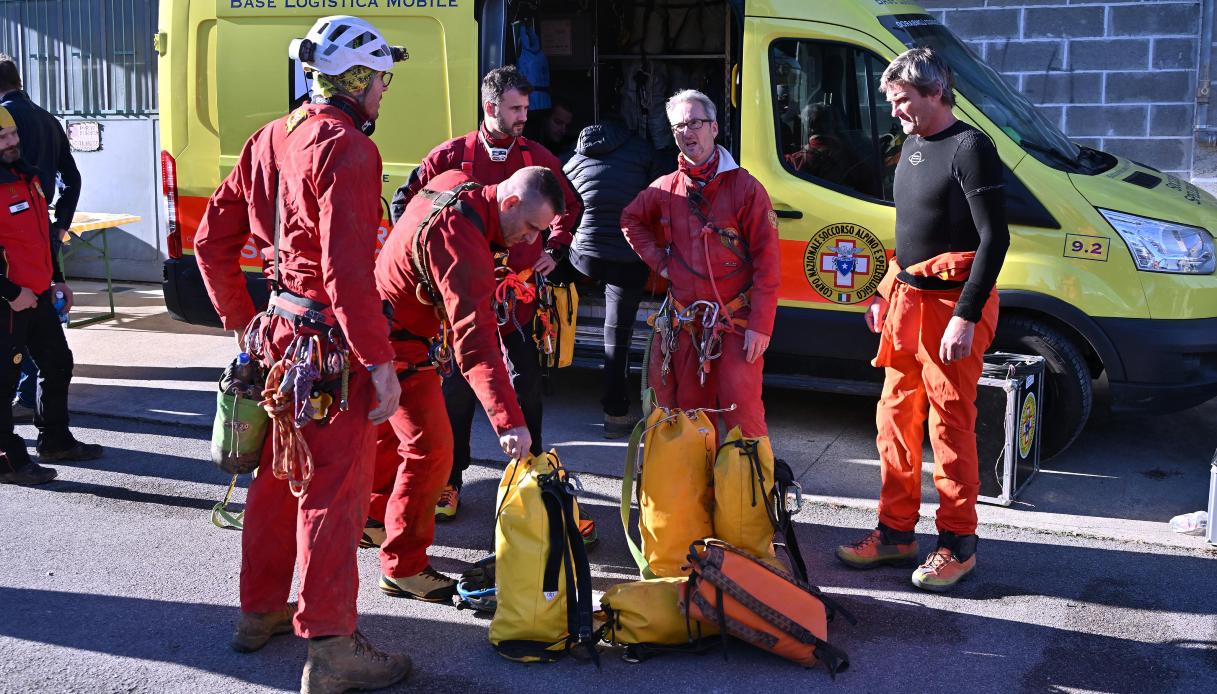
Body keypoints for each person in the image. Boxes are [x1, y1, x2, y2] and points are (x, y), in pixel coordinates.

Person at [192, 16, 412, 692]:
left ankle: (259, 612)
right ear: (354, 79)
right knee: (331, 493)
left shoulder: (271, 138)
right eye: (381, 79)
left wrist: (238, 320)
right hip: (328, 347)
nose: (383, 92)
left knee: (274, 481)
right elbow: (347, 272)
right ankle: (332, 645)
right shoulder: (347, 150)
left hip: (280, 337)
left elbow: (210, 240)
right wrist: (378, 362)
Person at [835, 48, 1009, 593]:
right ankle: (895, 533)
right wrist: (887, 290)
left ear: (935, 92)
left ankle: (958, 544)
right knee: (895, 418)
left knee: (950, 426)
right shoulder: (911, 145)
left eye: (903, 100)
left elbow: (993, 239)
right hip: (906, 303)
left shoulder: (972, 147)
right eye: (892, 102)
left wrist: (965, 315)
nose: (896, 112)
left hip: (951, 308)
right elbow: (913, 234)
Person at [387, 65, 581, 522]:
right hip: (457, 297)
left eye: (526, 109)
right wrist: (425, 266)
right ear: (490, 107)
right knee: (454, 390)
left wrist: (555, 247)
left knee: (526, 384)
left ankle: (531, 476)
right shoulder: (449, 157)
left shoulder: (538, 158)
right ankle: (450, 481)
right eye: (515, 108)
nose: (522, 117)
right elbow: (407, 204)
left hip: (517, 298)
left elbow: (569, 206)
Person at [370, 166, 564, 602]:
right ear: (510, 203)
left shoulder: (458, 183)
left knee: (387, 431)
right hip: (396, 342)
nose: (532, 242)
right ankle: (403, 567)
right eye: (532, 228)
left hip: (379, 323)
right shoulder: (463, 246)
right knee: (432, 451)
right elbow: (476, 347)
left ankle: (371, 515)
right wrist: (509, 422)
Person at [621, 89, 780, 439]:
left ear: (714, 128)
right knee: (691, 421)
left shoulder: (747, 189)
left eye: (694, 123)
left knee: (744, 415)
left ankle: (747, 490)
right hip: (685, 327)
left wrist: (761, 326)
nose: (686, 133)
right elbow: (630, 219)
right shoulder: (665, 188)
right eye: (678, 126)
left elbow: (768, 262)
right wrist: (660, 264)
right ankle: (696, 492)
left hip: (736, 325)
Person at [0, 105, 101, 486]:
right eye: (2, 139)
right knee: (3, 383)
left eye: (12, 136)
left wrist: (57, 279)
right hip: (9, 302)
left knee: (58, 363)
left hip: (39, 294)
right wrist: (11, 293)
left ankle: (55, 440)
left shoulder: (26, 176)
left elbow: (41, 234)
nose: (10, 143)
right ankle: (7, 460)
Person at [562, 120, 657, 438]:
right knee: (617, 336)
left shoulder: (574, 155)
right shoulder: (643, 152)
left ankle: (545, 359)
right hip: (626, 258)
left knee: (552, 280)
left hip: (584, 258)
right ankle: (615, 416)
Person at [0, 53, 81, 424]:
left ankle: (38, 417)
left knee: (38, 342)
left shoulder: (7, 119)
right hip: (36, 232)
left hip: (20, 244)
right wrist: (60, 223)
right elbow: (72, 178)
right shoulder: (47, 119)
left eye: (10, 137)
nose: (10, 141)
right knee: (33, 338)